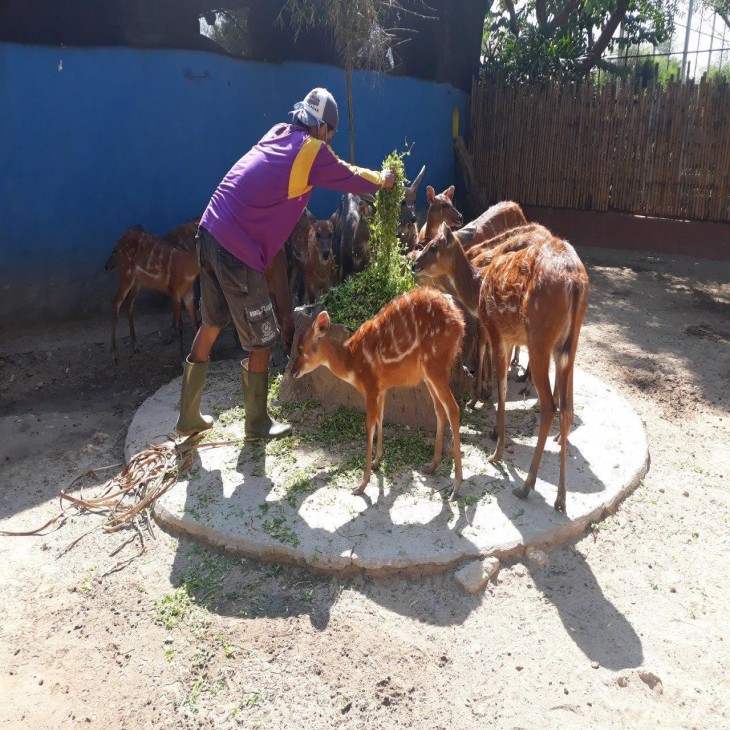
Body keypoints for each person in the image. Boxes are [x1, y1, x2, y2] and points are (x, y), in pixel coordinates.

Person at [175, 87, 395, 441]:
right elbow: (348, 175)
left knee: (212, 323)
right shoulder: (312, 151)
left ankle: (188, 417)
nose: (330, 142)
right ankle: (257, 423)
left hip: (209, 229)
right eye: (331, 134)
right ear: (323, 129)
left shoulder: (278, 132)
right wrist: (383, 180)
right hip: (236, 246)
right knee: (262, 338)